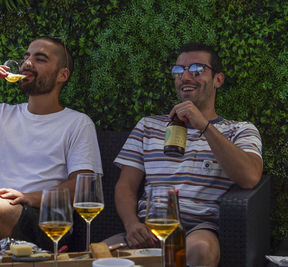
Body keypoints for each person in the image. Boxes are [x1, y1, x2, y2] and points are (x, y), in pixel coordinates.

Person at [0, 37, 102, 251]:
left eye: (40, 58)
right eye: (26, 56)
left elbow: (83, 186)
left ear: (63, 75)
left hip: (47, 223)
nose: (27, 63)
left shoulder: (77, 123)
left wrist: (29, 198)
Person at [104, 42, 263, 267]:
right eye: (179, 71)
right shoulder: (149, 125)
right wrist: (132, 225)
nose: (185, 76)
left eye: (197, 69)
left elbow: (250, 176)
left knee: (199, 250)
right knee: (99, 256)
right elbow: (125, 186)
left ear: (218, 79)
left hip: (200, 228)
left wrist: (204, 126)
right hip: (149, 227)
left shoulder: (239, 130)